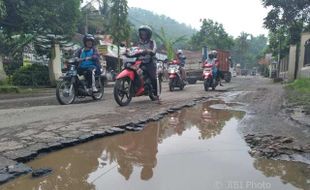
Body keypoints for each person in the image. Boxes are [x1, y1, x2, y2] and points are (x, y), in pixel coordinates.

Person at [136, 25, 159, 99]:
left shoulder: (152, 42)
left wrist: (150, 51)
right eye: (141, 32)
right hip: (140, 62)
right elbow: (133, 49)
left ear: (148, 34)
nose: (143, 34)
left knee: (153, 77)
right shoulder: (138, 43)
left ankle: (156, 93)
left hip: (150, 61)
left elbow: (154, 49)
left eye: (144, 32)